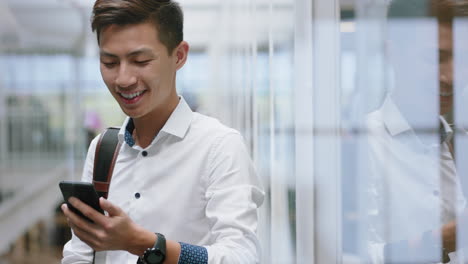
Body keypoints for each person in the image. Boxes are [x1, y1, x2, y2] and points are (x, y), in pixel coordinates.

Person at [61, 1, 264, 263]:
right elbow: (79, 254)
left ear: (179, 56)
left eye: (140, 61)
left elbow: (241, 257)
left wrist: (145, 243)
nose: (123, 79)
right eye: (109, 62)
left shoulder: (219, 146)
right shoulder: (103, 149)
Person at [365, 0, 468, 263]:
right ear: (393, 53)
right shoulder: (362, 143)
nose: (452, 76)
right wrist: (438, 241)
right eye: (436, 58)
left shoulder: (459, 140)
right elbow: (346, 257)